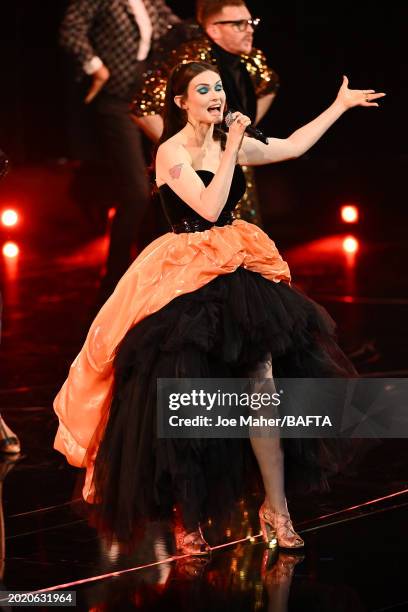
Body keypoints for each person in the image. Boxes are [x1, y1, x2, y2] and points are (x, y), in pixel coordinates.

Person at [53, 61, 384, 553]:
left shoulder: (229, 141)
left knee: (261, 387)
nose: (215, 95)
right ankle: (189, 518)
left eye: (219, 88)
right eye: (202, 89)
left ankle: (277, 509)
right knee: (191, 394)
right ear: (182, 102)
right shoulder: (171, 151)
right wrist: (231, 148)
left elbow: (292, 146)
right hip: (183, 274)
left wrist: (337, 106)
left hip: (236, 268)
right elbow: (207, 207)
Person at [59, 0, 181, 300]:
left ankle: (158, 272)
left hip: (148, 101)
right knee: (136, 194)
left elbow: (176, 29)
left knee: (169, 183)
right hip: (116, 101)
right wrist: (96, 67)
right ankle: (113, 280)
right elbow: (70, 31)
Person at [132, 0, 280, 225]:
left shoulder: (250, 58)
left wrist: (238, 132)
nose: (250, 29)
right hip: (202, 171)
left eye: (251, 22)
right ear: (214, 30)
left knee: (241, 233)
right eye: (239, 24)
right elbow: (143, 105)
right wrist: (187, 146)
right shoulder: (193, 57)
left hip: (231, 157)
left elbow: (270, 85)